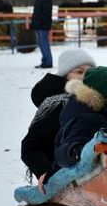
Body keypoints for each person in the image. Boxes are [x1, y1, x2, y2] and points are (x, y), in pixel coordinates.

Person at [21, 49, 97, 189]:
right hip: (64, 174)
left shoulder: (95, 101)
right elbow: (31, 145)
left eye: (90, 72)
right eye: (79, 72)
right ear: (65, 76)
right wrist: (45, 172)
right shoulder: (57, 105)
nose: (85, 77)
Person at [42, 66, 107, 186]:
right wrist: (77, 150)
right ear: (103, 93)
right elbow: (64, 151)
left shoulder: (102, 115)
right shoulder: (88, 118)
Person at [31, 0, 53, 69]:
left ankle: (48, 62)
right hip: (38, 24)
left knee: (44, 43)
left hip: (43, 25)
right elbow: (36, 12)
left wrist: (40, 21)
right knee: (41, 43)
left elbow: (46, 12)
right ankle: (44, 61)